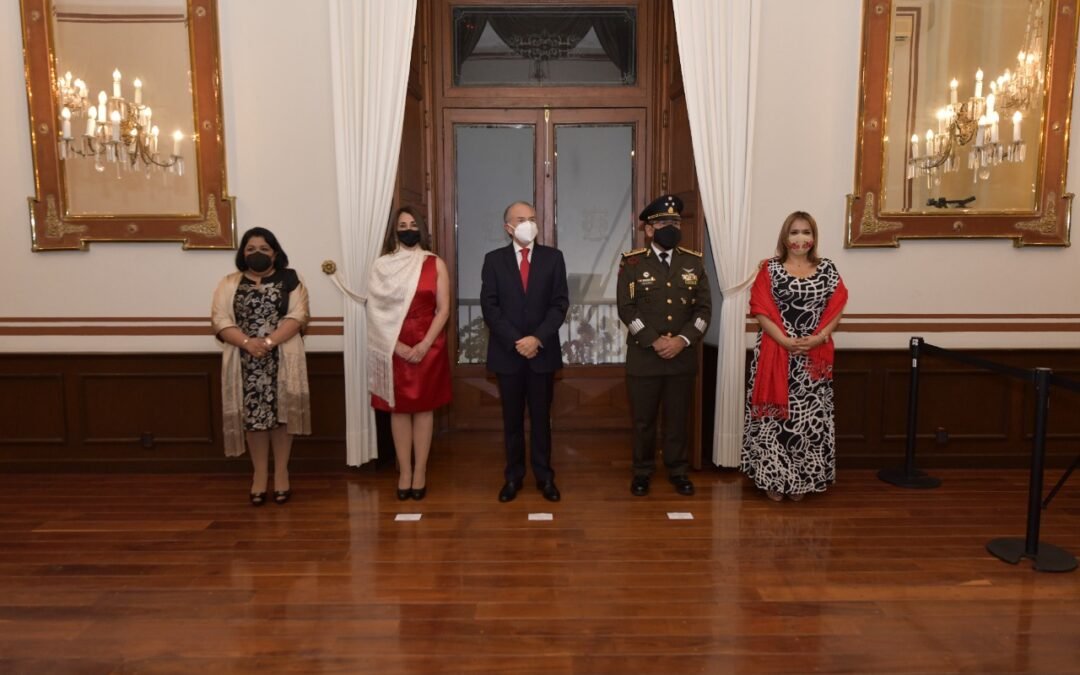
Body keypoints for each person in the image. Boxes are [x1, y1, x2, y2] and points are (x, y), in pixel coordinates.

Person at [743, 211, 848, 502]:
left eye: (806, 232)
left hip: (812, 361)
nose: (800, 239)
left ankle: (802, 480)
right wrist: (785, 341)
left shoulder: (827, 268)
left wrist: (819, 337)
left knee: (806, 421)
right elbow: (759, 308)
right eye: (794, 232)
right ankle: (774, 479)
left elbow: (838, 305)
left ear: (813, 237)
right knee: (775, 422)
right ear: (784, 237)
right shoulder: (769, 269)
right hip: (775, 354)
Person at [617, 194, 712, 497]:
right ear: (648, 229)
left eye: (674, 222)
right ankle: (642, 471)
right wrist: (654, 340)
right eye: (662, 222)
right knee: (644, 421)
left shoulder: (693, 262)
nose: (669, 227)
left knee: (677, 419)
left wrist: (683, 340)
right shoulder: (632, 262)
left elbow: (703, 310)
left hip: (681, 357)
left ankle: (677, 470)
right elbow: (626, 309)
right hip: (645, 357)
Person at [211, 227, 311, 506]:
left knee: (282, 417)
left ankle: (281, 474)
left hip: (281, 358)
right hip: (245, 362)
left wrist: (267, 342)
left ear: (275, 253)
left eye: (264, 249)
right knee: (255, 421)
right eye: (251, 249)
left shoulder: (291, 280)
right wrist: (247, 343)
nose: (257, 254)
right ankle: (259, 476)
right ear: (243, 253)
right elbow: (219, 320)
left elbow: (299, 315)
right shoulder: (229, 283)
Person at [481, 201, 569, 503]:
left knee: (542, 420)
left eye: (532, 218)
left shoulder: (553, 258)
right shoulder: (493, 261)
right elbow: (490, 308)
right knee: (512, 421)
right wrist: (518, 341)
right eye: (521, 219)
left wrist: (537, 339)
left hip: (542, 354)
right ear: (508, 227)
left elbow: (559, 305)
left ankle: (545, 477)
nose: (528, 224)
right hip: (508, 354)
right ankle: (513, 477)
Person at [367, 206, 452, 501]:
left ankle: (421, 472)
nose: (408, 229)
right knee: (399, 410)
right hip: (393, 343)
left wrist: (425, 344)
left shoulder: (434, 262)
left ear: (422, 229)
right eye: (402, 225)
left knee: (424, 409)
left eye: (413, 224)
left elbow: (443, 310)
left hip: (429, 343)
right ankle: (404, 472)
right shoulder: (382, 265)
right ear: (394, 230)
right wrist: (398, 346)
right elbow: (374, 311)